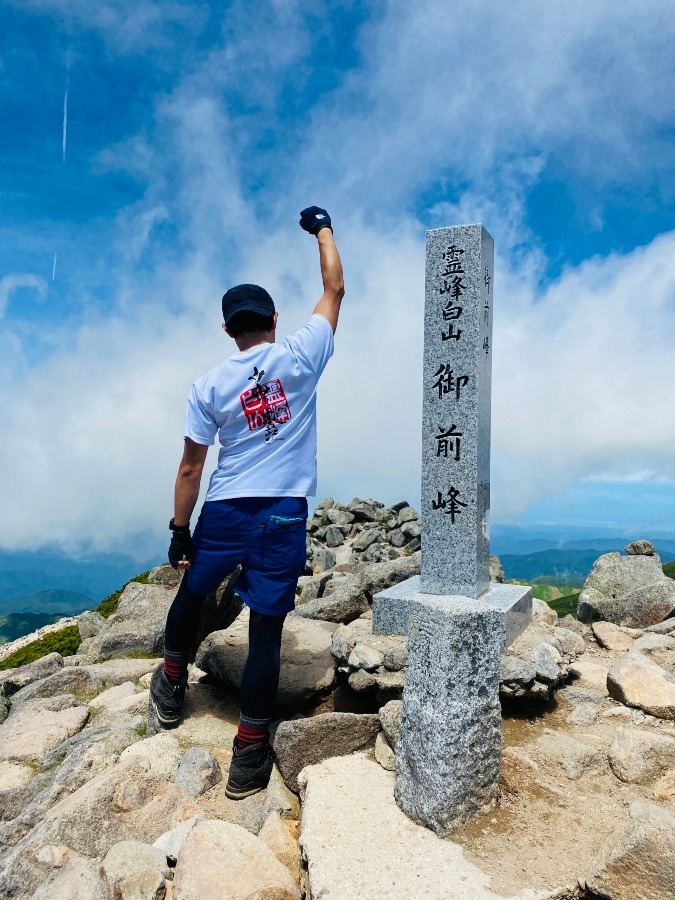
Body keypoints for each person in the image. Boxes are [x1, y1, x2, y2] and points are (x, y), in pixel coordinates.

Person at [149, 206, 344, 799]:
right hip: (283, 511)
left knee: (192, 591)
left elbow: (190, 466)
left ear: (228, 329)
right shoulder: (302, 355)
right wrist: (322, 228)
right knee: (265, 631)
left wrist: (180, 530)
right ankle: (250, 752)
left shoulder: (208, 385)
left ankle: (173, 676)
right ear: (274, 319)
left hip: (227, 508)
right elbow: (334, 287)